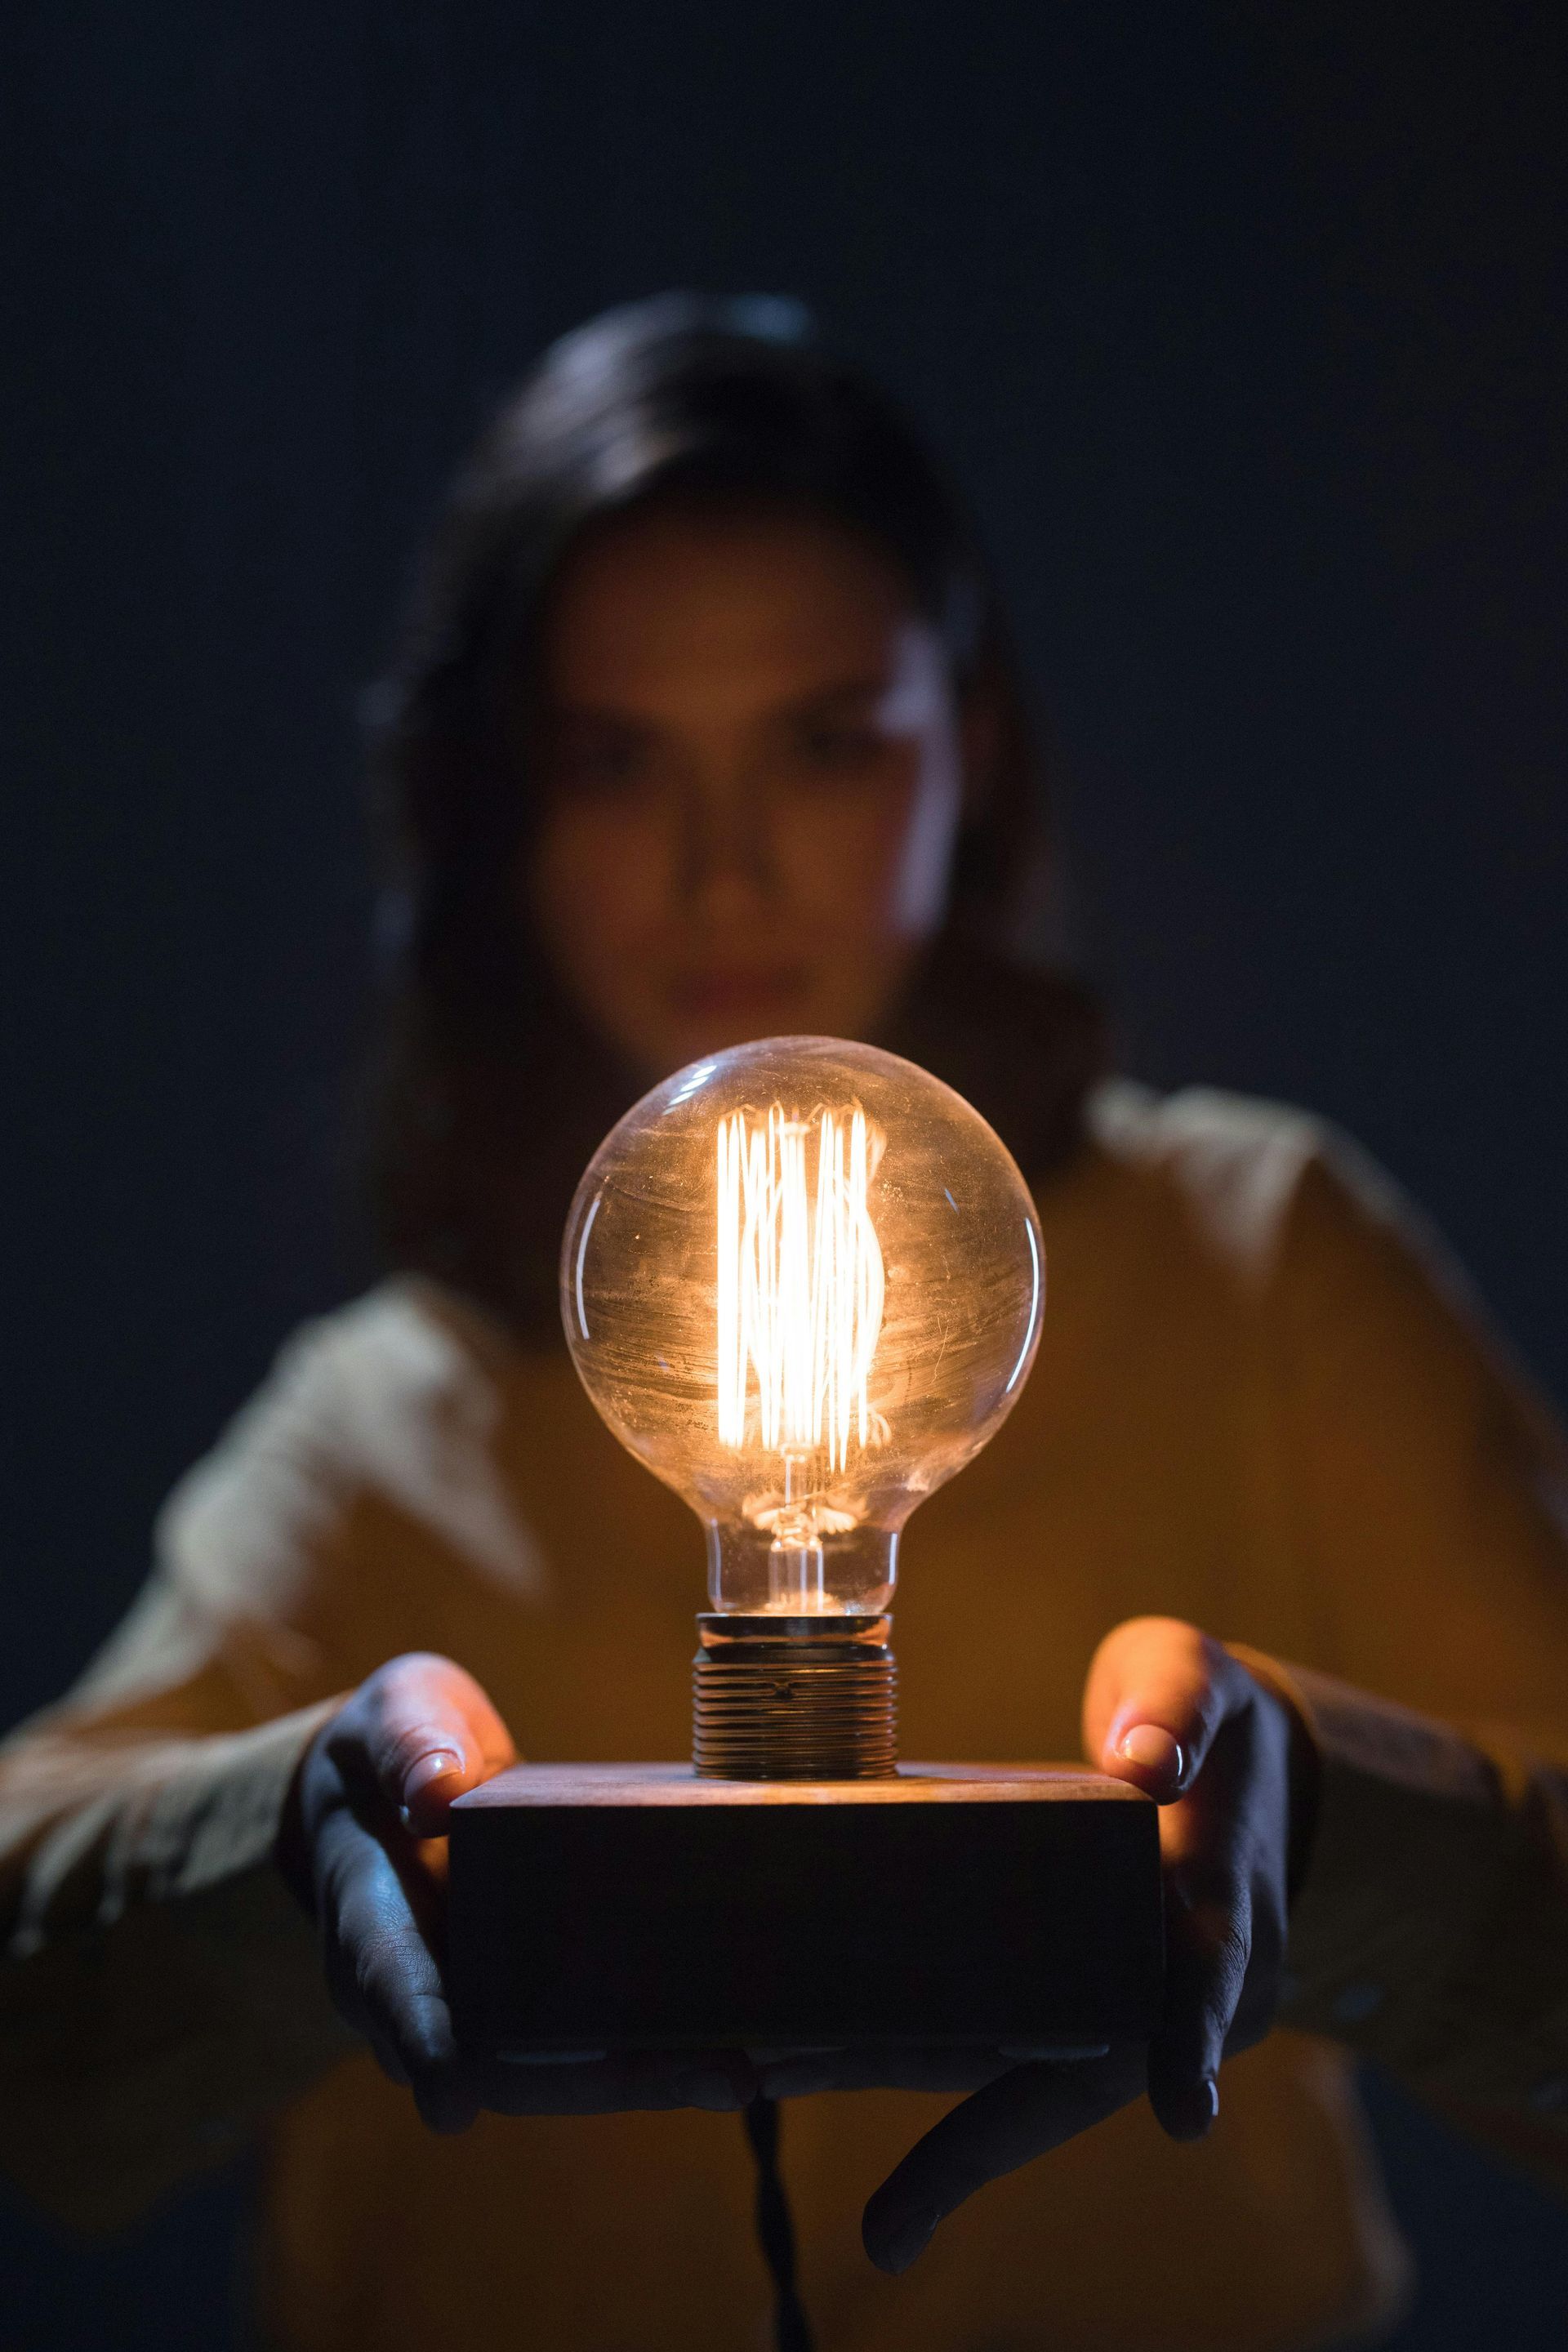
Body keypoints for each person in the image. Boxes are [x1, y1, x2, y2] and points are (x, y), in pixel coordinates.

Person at [3, 292, 1568, 2352]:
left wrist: (1325, 1822)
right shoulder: (397, 1423)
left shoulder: (1250, 1262)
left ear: (973, 741)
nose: (724, 871)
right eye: (616, 760)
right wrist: (280, 1845)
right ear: (503, 801)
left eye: (827, 742)